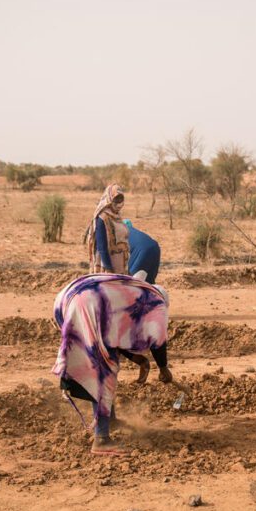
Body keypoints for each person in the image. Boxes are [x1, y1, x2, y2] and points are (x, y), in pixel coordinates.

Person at [52, 273, 172, 455]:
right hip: (88, 304)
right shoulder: (156, 303)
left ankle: (110, 419)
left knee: (101, 361)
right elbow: (159, 341)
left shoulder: (130, 290)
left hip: (67, 299)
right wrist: (163, 369)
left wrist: (138, 359)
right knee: (103, 372)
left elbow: (113, 334)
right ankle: (101, 440)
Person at [84, 184, 130, 274]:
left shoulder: (117, 216)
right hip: (106, 264)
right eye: (116, 198)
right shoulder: (102, 217)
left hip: (120, 263)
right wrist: (108, 268)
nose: (119, 202)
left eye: (121, 198)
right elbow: (101, 246)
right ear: (109, 198)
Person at [123, 218, 161, 285]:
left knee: (133, 285)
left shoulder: (119, 233)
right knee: (149, 284)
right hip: (155, 247)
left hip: (142, 251)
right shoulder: (133, 232)